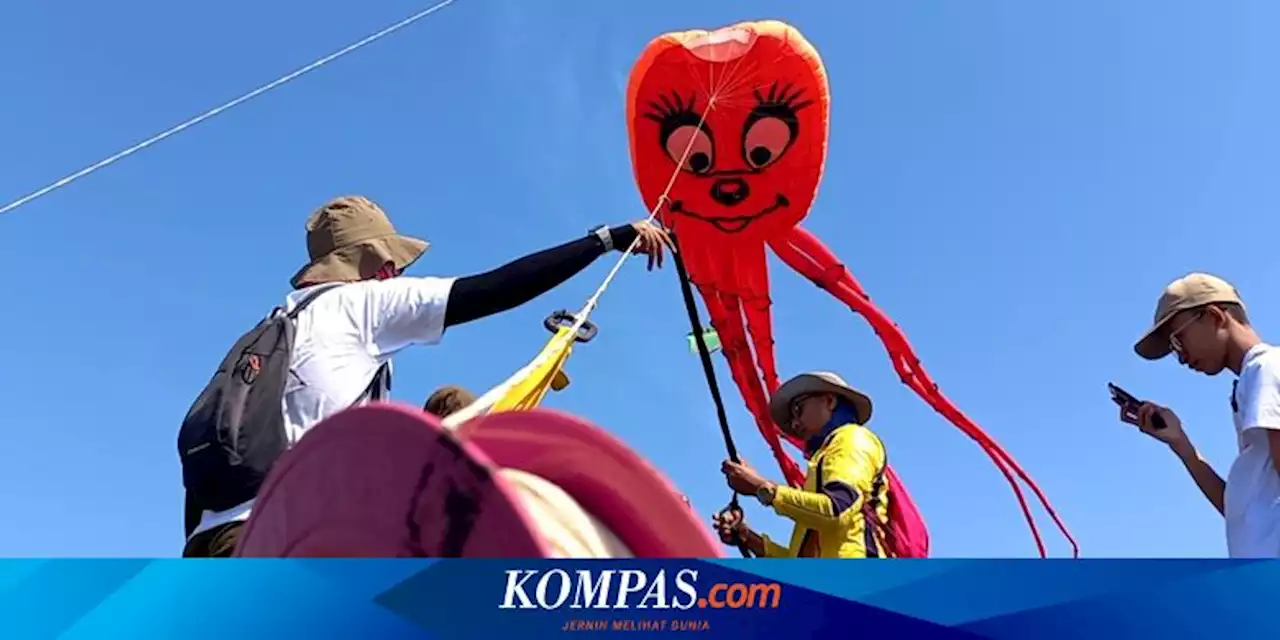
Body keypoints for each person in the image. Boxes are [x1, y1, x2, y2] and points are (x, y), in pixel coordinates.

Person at [182, 195, 672, 557]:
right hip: (285, 540)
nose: (396, 270)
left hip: (210, 544)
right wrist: (606, 240)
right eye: (390, 260)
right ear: (375, 263)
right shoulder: (361, 305)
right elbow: (493, 289)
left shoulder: (274, 323)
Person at [1125, 272, 1280, 557]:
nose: (1181, 356)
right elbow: (1241, 514)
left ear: (1214, 316)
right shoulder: (1252, 380)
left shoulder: (1266, 369)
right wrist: (1182, 445)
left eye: (1178, 340)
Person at [712, 371, 891, 558]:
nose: (795, 425)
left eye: (798, 410)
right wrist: (748, 538)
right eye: (791, 420)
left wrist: (761, 488)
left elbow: (836, 510)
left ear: (829, 401)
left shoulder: (851, 438)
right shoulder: (826, 456)